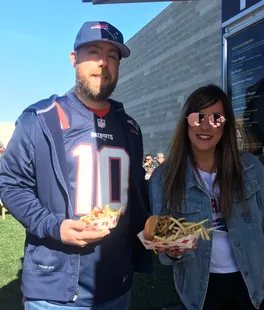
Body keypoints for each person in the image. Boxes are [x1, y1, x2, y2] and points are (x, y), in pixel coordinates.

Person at [0, 21, 151, 310]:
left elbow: (135, 197)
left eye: (112, 56)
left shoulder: (130, 127)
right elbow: (11, 184)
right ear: (74, 59)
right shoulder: (39, 119)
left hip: (117, 286)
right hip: (55, 292)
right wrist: (55, 227)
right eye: (93, 52)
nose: (103, 63)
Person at [149, 85, 264, 310]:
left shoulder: (251, 169)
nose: (206, 126)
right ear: (186, 122)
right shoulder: (164, 178)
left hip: (255, 287)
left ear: (225, 125)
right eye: (198, 117)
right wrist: (172, 251)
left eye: (216, 119)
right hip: (200, 292)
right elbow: (164, 246)